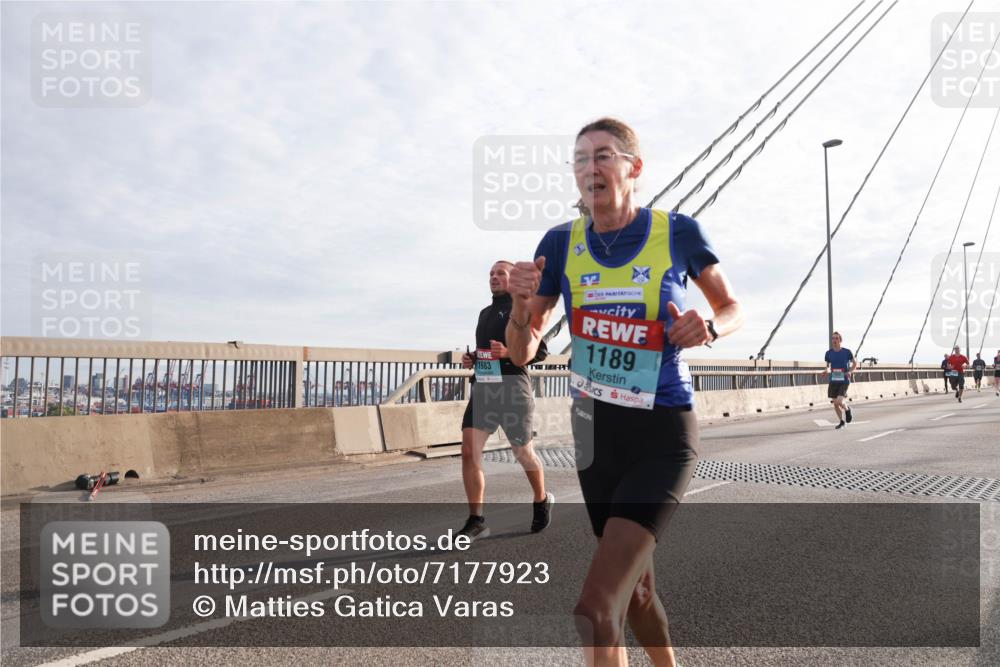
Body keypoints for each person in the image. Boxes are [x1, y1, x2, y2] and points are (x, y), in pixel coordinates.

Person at [506, 118, 743, 667]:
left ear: (633, 169)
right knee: (633, 593)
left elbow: (732, 307)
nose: (591, 168)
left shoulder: (676, 232)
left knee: (594, 609)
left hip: (662, 431)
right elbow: (522, 352)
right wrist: (521, 310)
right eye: (581, 159)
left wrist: (707, 326)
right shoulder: (559, 244)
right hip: (596, 434)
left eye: (605, 156)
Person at [456, 260, 553, 541]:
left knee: (523, 454)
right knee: (468, 452)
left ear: (512, 280)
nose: (494, 277)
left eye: (501, 273)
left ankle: (541, 499)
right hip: (485, 388)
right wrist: (472, 358)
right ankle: (476, 520)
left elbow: (541, 351)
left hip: (513, 389)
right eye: (491, 274)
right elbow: (488, 351)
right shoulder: (485, 313)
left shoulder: (523, 308)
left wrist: (509, 353)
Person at [824, 332, 856, 430]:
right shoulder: (828, 353)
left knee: (839, 401)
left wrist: (850, 371)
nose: (834, 340)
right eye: (833, 338)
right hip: (834, 380)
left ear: (840, 340)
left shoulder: (847, 352)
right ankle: (842, 422)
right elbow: (828, 366)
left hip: (844, 380)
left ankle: (847, 409)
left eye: (836, 338)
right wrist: (827, 370)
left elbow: (854, 363)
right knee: (835, 403)